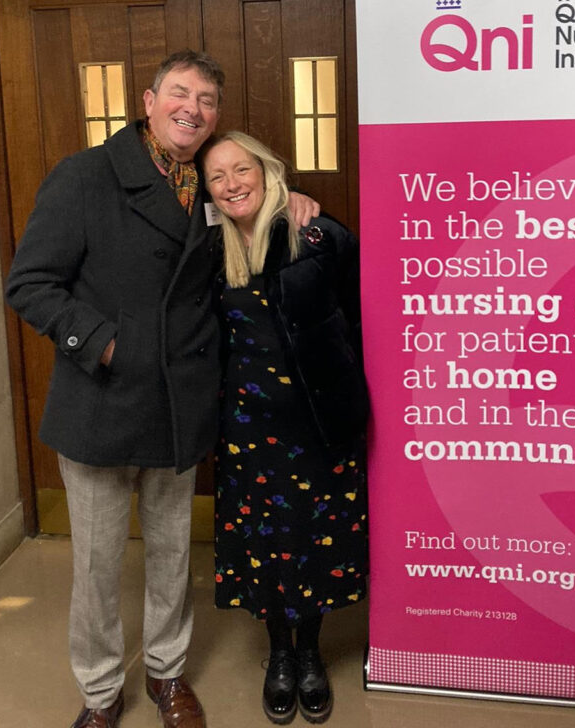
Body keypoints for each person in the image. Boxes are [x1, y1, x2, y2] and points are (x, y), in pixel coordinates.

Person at [5, 52, 319, 728]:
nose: (193, 108)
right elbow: (29, 283)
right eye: (180, 93)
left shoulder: (211, 185)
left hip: (181, 404)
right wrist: (101, 344)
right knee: (94, 565)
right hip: (101, 401)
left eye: (207, 99)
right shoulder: (85, 177)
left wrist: (284, 198)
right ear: (148, 101)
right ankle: (98, 690)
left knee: (175, 552)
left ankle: (167, 674)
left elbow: (251, 221)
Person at [202, 131, 369, 725]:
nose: (231, 184)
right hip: (247, 428)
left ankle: (311, 654)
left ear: (267, 170)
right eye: (217, 177)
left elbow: (359, 317)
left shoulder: (320, 235)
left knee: (317, 537)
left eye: (241, 169)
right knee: (267, 542)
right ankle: (279, 654)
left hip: (319, 420)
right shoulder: (209, 247)